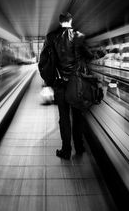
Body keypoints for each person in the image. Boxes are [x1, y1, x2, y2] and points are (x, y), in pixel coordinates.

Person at [41, 12, 97, 160]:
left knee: (64, 118)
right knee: (78, 116)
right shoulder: (78, 36)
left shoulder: (51, 37)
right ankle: (79, 147)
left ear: (60, 22)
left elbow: (43, 62)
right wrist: (105, 52)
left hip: (60, 85)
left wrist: (48, 82)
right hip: (76, 84)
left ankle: (66, 151)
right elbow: (90, 56)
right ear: (71, 21)